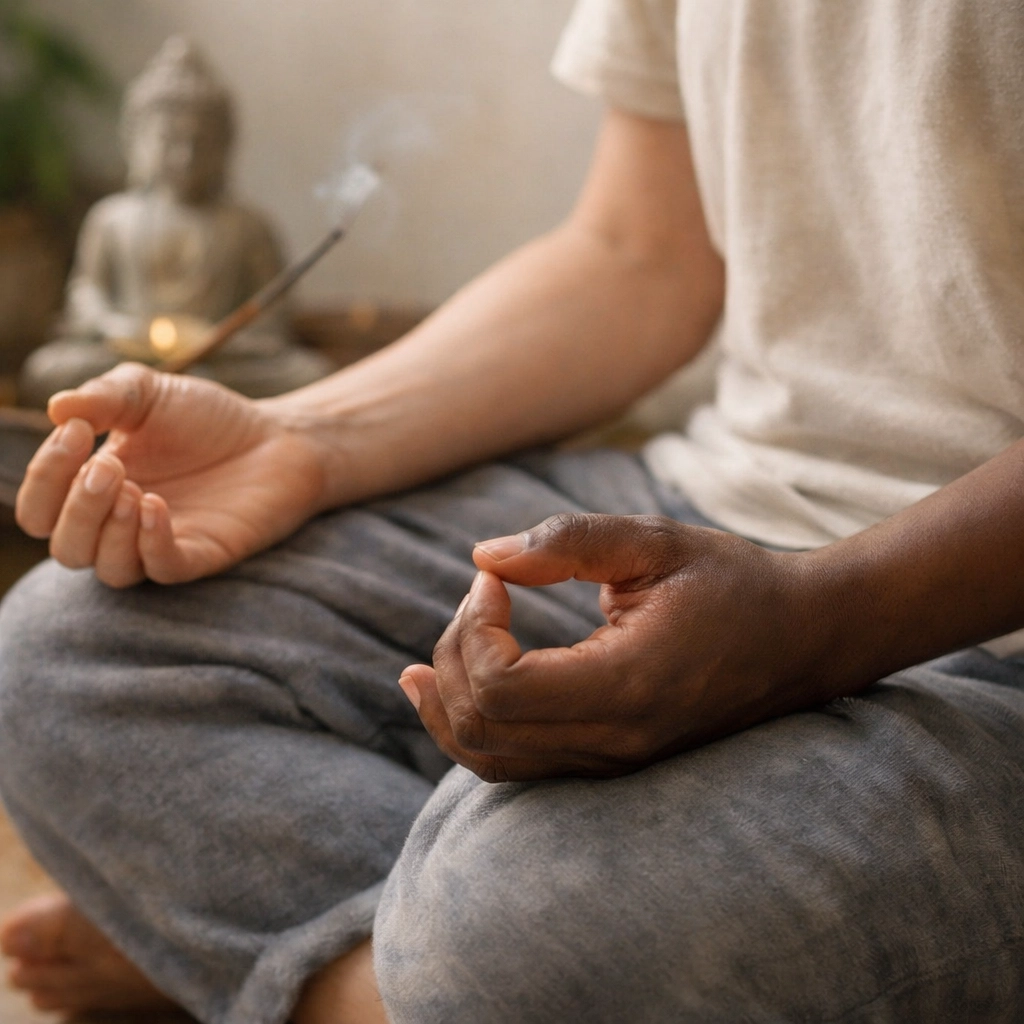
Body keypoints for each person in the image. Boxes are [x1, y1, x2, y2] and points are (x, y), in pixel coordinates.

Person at [1, 1, 1023, 1021]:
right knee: (65, 646)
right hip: (715, 496)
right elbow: (637, 250)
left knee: (514, 927)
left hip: (982, 622)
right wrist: (304, 439)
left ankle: (291, 968)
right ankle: (370, 978)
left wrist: (812, 625)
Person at [18, 36, 333, 409]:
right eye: (170, 140)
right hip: (129, 355)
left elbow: (272, 313)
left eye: (201, 142)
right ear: (136, 139)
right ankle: (185, 399)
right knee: (47, 371)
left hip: (219, 360)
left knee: (311, 374)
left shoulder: (247, 224)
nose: (185, 156)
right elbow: (85, 294)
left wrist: (222, 341)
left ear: (225, 145)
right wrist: (116, 327)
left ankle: (171, 397)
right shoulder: (112, 218)